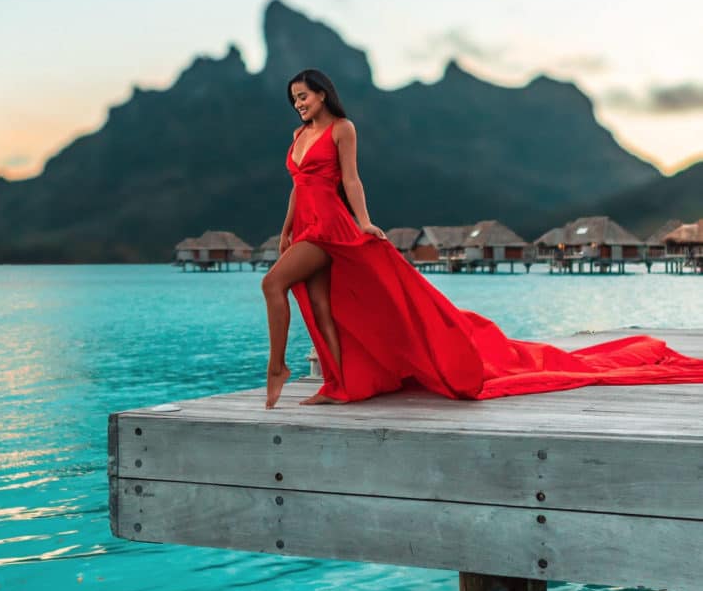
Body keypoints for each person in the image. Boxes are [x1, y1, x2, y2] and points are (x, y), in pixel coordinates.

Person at [262, 68, 703, 409]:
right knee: (321, 307)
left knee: (272, 284)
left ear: (322, 94)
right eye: (294, 99)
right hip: (305, 226)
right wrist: (285, 230)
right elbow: (298, 187)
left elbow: (351, 181)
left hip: (332, 228)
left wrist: (364, 222)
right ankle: (339, 385)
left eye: (303, 96)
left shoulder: (342, 129)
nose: (298, 104)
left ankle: (278, 368)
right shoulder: (299, 135)